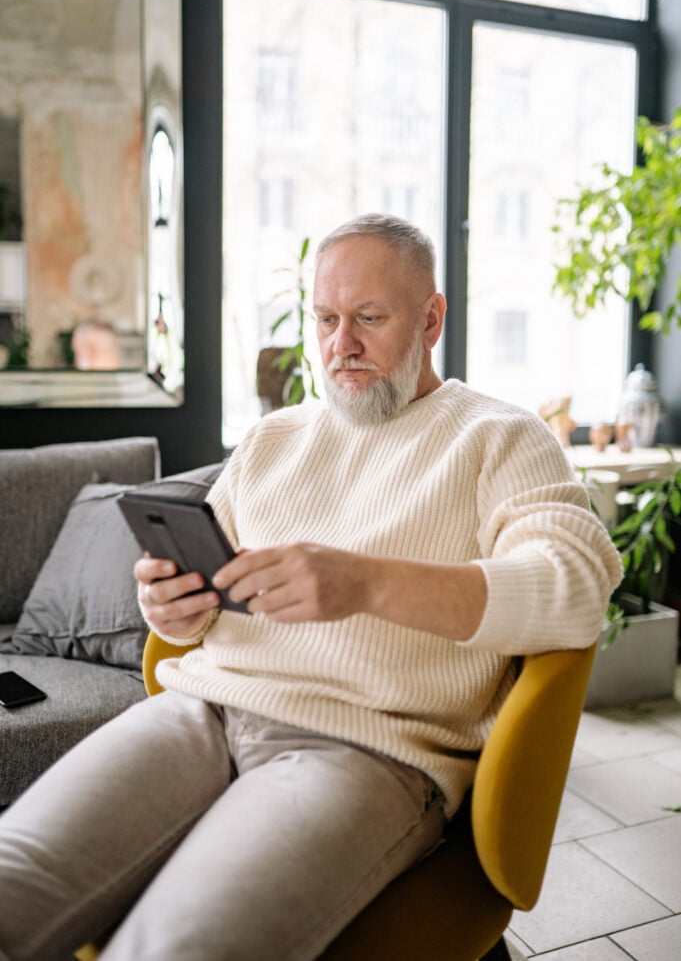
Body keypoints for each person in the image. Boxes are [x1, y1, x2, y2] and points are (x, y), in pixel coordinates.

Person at [0, 213, 622, 961]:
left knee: (168, 950)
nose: (339, 344)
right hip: (199, 714)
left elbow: (576, 587)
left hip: (366, 751)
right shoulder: (273, 439)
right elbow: (199, 608)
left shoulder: (499, 437)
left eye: (368, 317)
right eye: (324, 318)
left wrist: (364, 583)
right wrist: (168, 603)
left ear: (430, 318)